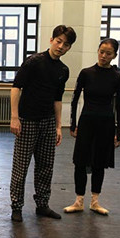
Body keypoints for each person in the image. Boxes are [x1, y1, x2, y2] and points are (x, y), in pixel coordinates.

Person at [9, 25, 77, 222]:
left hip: (47, 123)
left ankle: (42, 204)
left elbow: (57, 99)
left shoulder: (63, 70)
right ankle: (16, 206)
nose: (61, 46)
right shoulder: (34, 62)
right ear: (51, 40)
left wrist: (58, 126)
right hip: (27, 121)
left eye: (66, 44)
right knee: (21, 167)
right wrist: (15, 117)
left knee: (46, 166)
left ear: (69, 48)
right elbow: (16, 88)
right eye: (58, 41)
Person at [64, 38, 120, 215]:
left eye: (108, 53)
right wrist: (73, 124)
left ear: (114, 55)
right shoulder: (86, 73)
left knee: (99, 163)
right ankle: (78, 201)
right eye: (101, 52)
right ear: (98, 51)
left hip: (106, 123)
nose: (104, 56)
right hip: (87, 121)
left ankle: (95, 201)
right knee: (80, 162)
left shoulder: (117, 77)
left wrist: (118, 132)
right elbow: (74, 100)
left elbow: (119, 105)